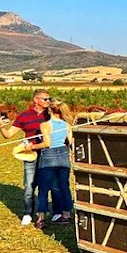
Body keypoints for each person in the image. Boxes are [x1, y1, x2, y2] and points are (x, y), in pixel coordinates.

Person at [0, 89, 51, 225]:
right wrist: (2, 127)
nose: (48, 102)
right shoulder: (24, 116)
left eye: (49, 99)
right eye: (45, 99)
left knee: (45, 185)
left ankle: (42, 214)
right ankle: (28, 213)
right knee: (29, 185)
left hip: (48, 153)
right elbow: (8, 134)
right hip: (30, 154)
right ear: (36, 100)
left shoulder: (51, 115)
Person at [29, 98, 75, 230]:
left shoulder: (45, 125)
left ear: (50, 110)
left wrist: (32, 147)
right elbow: (71, 142)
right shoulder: (67, 125)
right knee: (63, 186)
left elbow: (47, 144)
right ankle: (66, 215)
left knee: (43, 189)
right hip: (63, 155)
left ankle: (41, 218)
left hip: (49, 156)